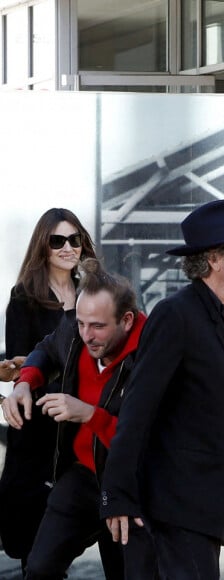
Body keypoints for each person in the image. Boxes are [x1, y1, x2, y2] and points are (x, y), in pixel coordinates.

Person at [99, 199, 224, 580]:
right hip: (170, 510)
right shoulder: (174, 316)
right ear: (215, 259)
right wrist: (117, 494)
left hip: (214, 511)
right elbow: (136, 410)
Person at [1, 258, 155, 580]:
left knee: (127, 574)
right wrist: (25, 382)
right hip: (82, 476)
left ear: (127, 320)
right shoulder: (75, 331)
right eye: (81, 323)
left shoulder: (153, 355)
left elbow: (150, 444)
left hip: (131, 485)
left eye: (98, 326)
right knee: (39, 568)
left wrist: (89, 414)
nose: (86, 335)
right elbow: (47, 348)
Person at [0, 207, 96, 573]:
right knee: (37, 545)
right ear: (43, 245)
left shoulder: (93, 292)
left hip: (86, 429)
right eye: (58, 240)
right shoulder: (24, 297)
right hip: (42, 430)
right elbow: (24, 367)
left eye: (75, 239)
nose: (68, 247)